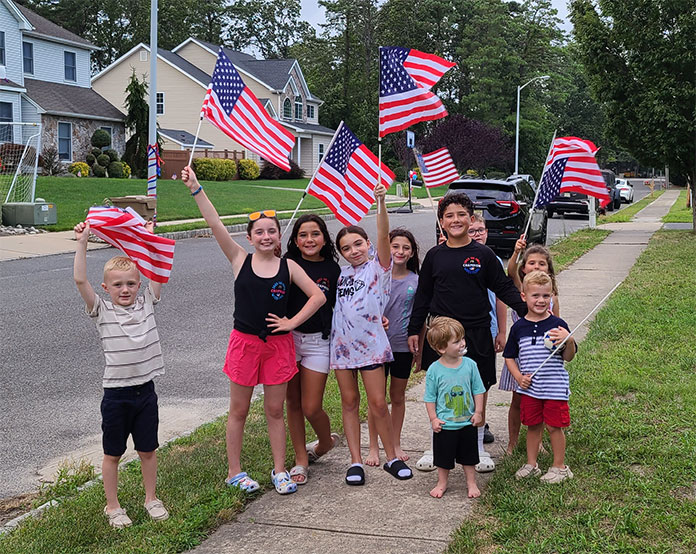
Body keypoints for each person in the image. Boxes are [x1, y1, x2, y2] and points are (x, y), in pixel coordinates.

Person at [181, 166, 325, 495]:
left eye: (271, 231)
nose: (265, 237)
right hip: (244, 344)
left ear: (278, 236)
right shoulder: (238, 259)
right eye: (259, 232)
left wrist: (291, 322)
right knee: (239, 411)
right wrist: (196, 188)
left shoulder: (289, 266)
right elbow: (214, 223)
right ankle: (235, 471)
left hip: (278, 346)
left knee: (275, 410)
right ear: (249, 237)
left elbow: (317, 296)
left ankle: (279, 470)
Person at [407, 192, 527, 472]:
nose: (456, 220)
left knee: (477, 389)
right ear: (441, 222)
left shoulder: (483, 255)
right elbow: (423, 296)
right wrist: (415, 329)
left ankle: (477, 447)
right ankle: (436, 445)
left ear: (471, 219)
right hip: (441, 335)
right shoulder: (435, 256)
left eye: (462, 214)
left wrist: (527, 309)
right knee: (441, 389)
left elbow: (503, 287)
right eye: (449, 215)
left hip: (476, 332)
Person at [73, 221, 169, 528]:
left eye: (130, 283)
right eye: (117, 285)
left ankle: (151, 498)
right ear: (106, 288)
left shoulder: (147, 304)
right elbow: (79, 280)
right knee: (112, 452)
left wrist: (149, 239)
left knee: (148, 449)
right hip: (116, 394)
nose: (125, 289)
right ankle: (112, 506)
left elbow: (156, 271)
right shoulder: (102, 310)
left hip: (146, 392)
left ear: (139, 284)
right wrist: (82, 242)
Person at [331, 184, 413, 485]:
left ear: (368, 244)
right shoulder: (340, 274)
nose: (353, 251)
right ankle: (355, 461)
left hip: (372, 347)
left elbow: (383, 234)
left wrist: (380, 202)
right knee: (349, 402)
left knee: (378, 403)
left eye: (358, 244)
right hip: (341, 348)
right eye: (346, 248)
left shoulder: (378, 268)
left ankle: (392, 456)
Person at [283, 214, 342, 485]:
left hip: (319, 342)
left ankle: (325, 443)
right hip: (287, 341)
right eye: (303, 235)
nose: (309, 240)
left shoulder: (332, 269)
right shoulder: (285, 265)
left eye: (315, 234)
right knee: (292, 403)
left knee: (311, 406)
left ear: (324, 238)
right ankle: (301, 459)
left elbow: (345, 304)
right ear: (295, 240)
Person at [503, 271, 576, 483]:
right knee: (533, 425)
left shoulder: (558, 325)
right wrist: (518, 377)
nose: (541, 300)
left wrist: (569, 341)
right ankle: (531, 464)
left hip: (554, 388)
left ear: (552, 296)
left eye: (546, 296)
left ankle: (559, 467)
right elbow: (509, 357)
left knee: (554, 426)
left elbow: (569, 357)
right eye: (535, 295)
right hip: (530, 389)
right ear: (524, 296)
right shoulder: (518, 327)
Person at [365, 228, 420, 466]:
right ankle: (374, 447)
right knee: (375, 399)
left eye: (405, 248)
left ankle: (395, 442)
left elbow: (419, 318)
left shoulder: (416, 281)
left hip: (402, 347)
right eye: (395, 246)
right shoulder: (375, 276)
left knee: (397, 397)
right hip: (376, 347)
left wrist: (419, 350)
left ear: (412, 253)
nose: (399, 251)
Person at [501, 237, 559, 455]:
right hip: (520, 354)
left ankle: (538, 442)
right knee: (518, 399)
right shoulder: (520, 288)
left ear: (549, 268)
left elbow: (558, 323)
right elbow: (510, 270)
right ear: (524, 268)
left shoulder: (551, 295)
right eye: (531, 263)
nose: (536, 266)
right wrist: (516, 252)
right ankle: (513, 442)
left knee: (541, 398)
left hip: (543, 354)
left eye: (542, 263)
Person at [423, 317, 485, 498]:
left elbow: (478, 390)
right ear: (442, 348)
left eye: (462, 338)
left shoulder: (470, 365)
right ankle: (442, 483)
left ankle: (471, 483)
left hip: (467, 422)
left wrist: (478, 412)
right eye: (456, 341)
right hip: (445, 424)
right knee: (443, 458)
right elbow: (430, 397)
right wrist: (433, 418)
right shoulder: (434, 370)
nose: (463, 343)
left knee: (469, 457)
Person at [466, 213, 507, 472]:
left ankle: (482, 420)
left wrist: (502, 331)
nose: (477, 234)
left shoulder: (492, 260)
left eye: (480, 230)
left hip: (488, 330)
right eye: (472, 231)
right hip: (461, 332)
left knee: (482, 382)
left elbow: (501, 297)